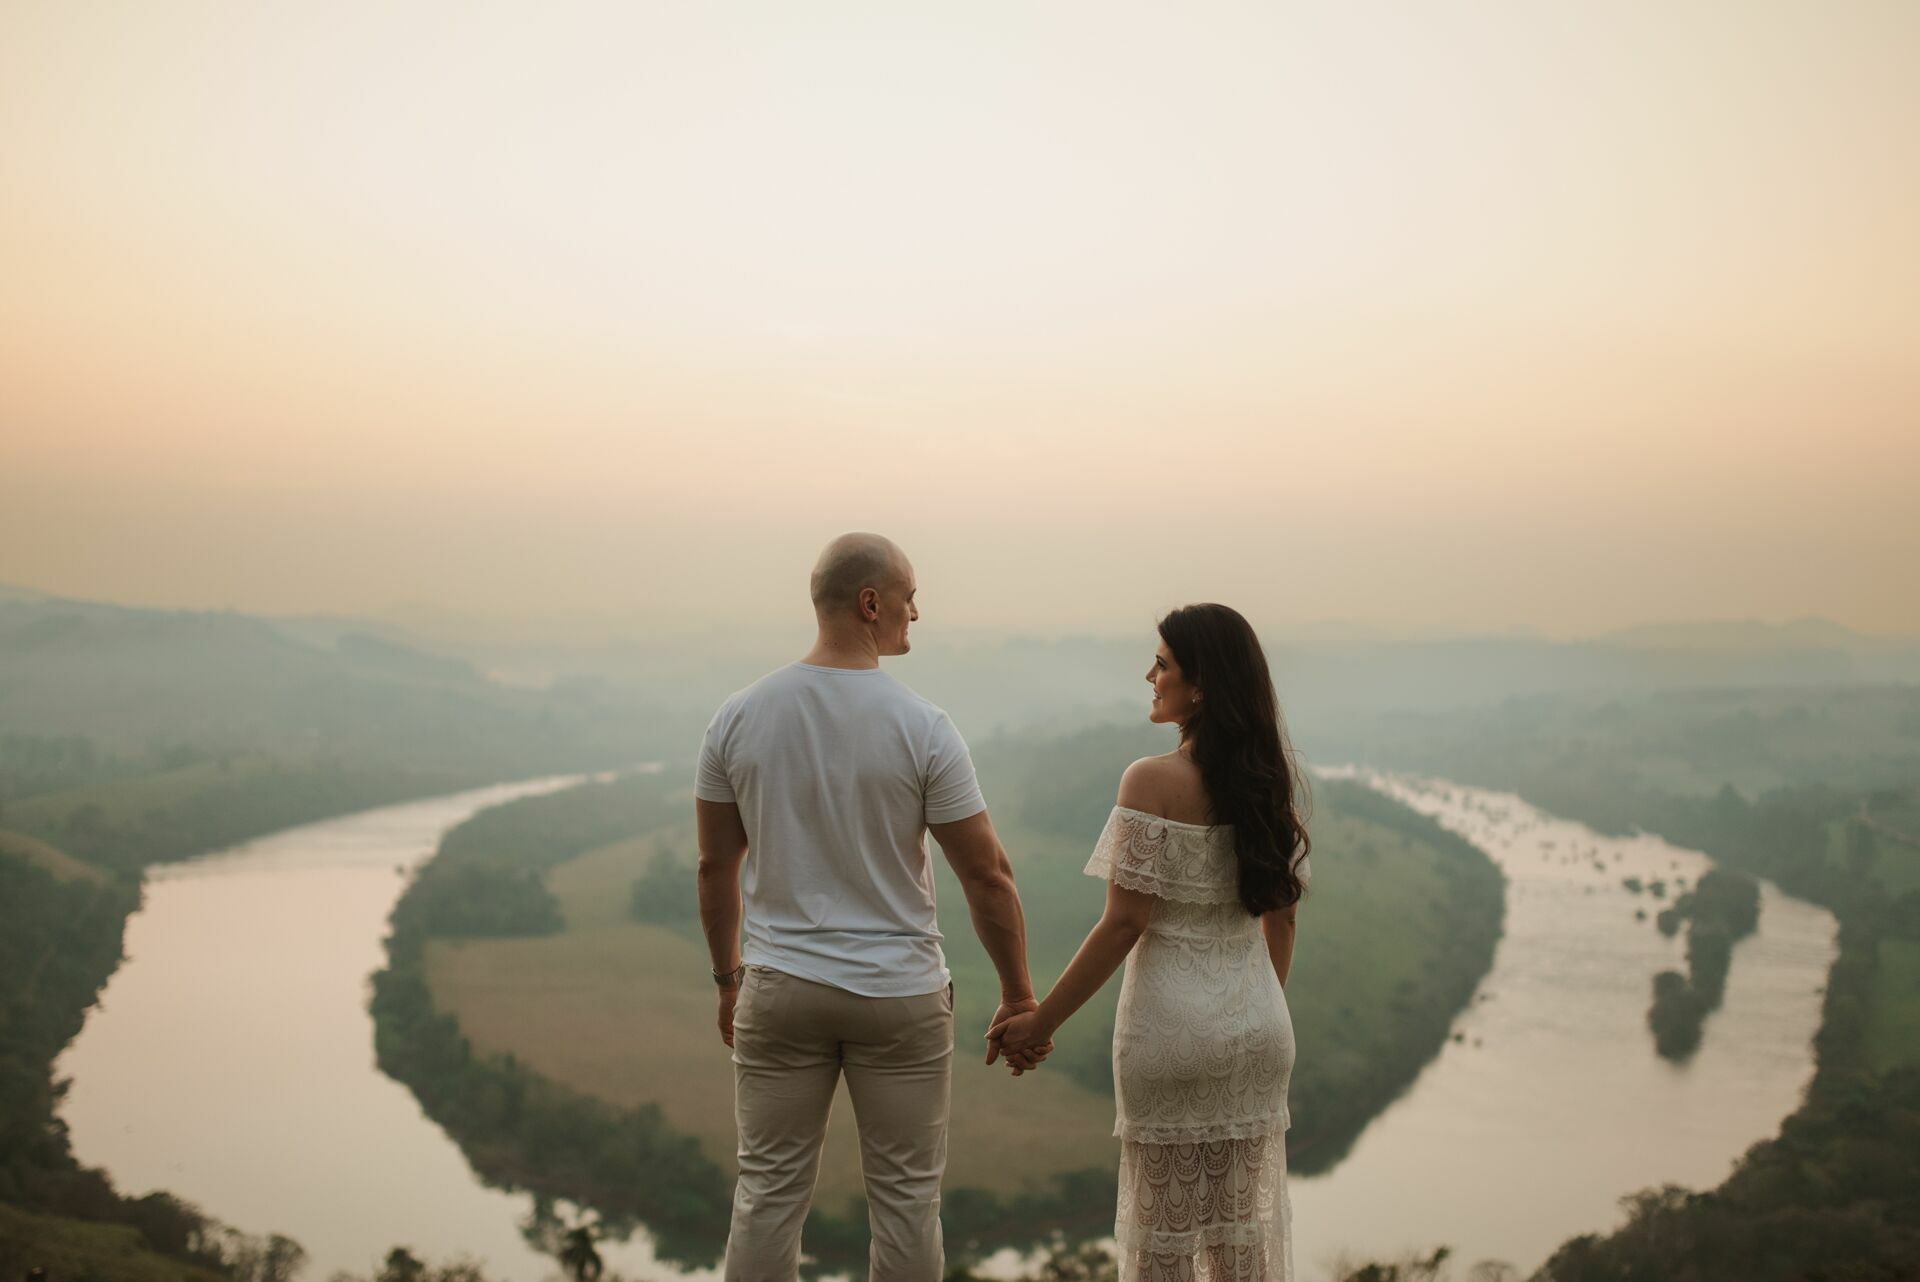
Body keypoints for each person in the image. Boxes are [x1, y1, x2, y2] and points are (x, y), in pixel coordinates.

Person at [695, 532, 1048, 1282]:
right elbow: (986, 874)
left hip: (781, 987)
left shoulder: (738, 716)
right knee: (908, 1202)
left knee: (766, 1192)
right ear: (870, 603)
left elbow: (715, 864)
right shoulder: (923, 725)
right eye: (909, 596)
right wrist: (1019, 993)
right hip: (899, 995)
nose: (916, 611)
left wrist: (729, 981)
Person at [992, 603, 1311, 1282]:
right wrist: (1247, 1012)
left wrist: (1037, 1024)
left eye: (1162, 663)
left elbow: (1124, 923)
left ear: (1200, 685)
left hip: (1171, 1037)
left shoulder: (1151, 782)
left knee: (1164, 1247)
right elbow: (1280, 920)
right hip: (1259, 1031)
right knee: (1242, 1243)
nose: (1150, 674)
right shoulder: (1271, 788)